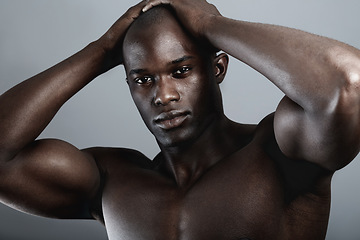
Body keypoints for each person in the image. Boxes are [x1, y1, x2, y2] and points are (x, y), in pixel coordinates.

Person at [0, 0, 359, 239]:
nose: (163, 96)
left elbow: (347, 85)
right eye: (143, 79)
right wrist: (103, 50)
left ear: (216, 69)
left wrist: (208, 24)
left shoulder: (278, 154)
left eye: (182, 70)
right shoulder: (113, 181)